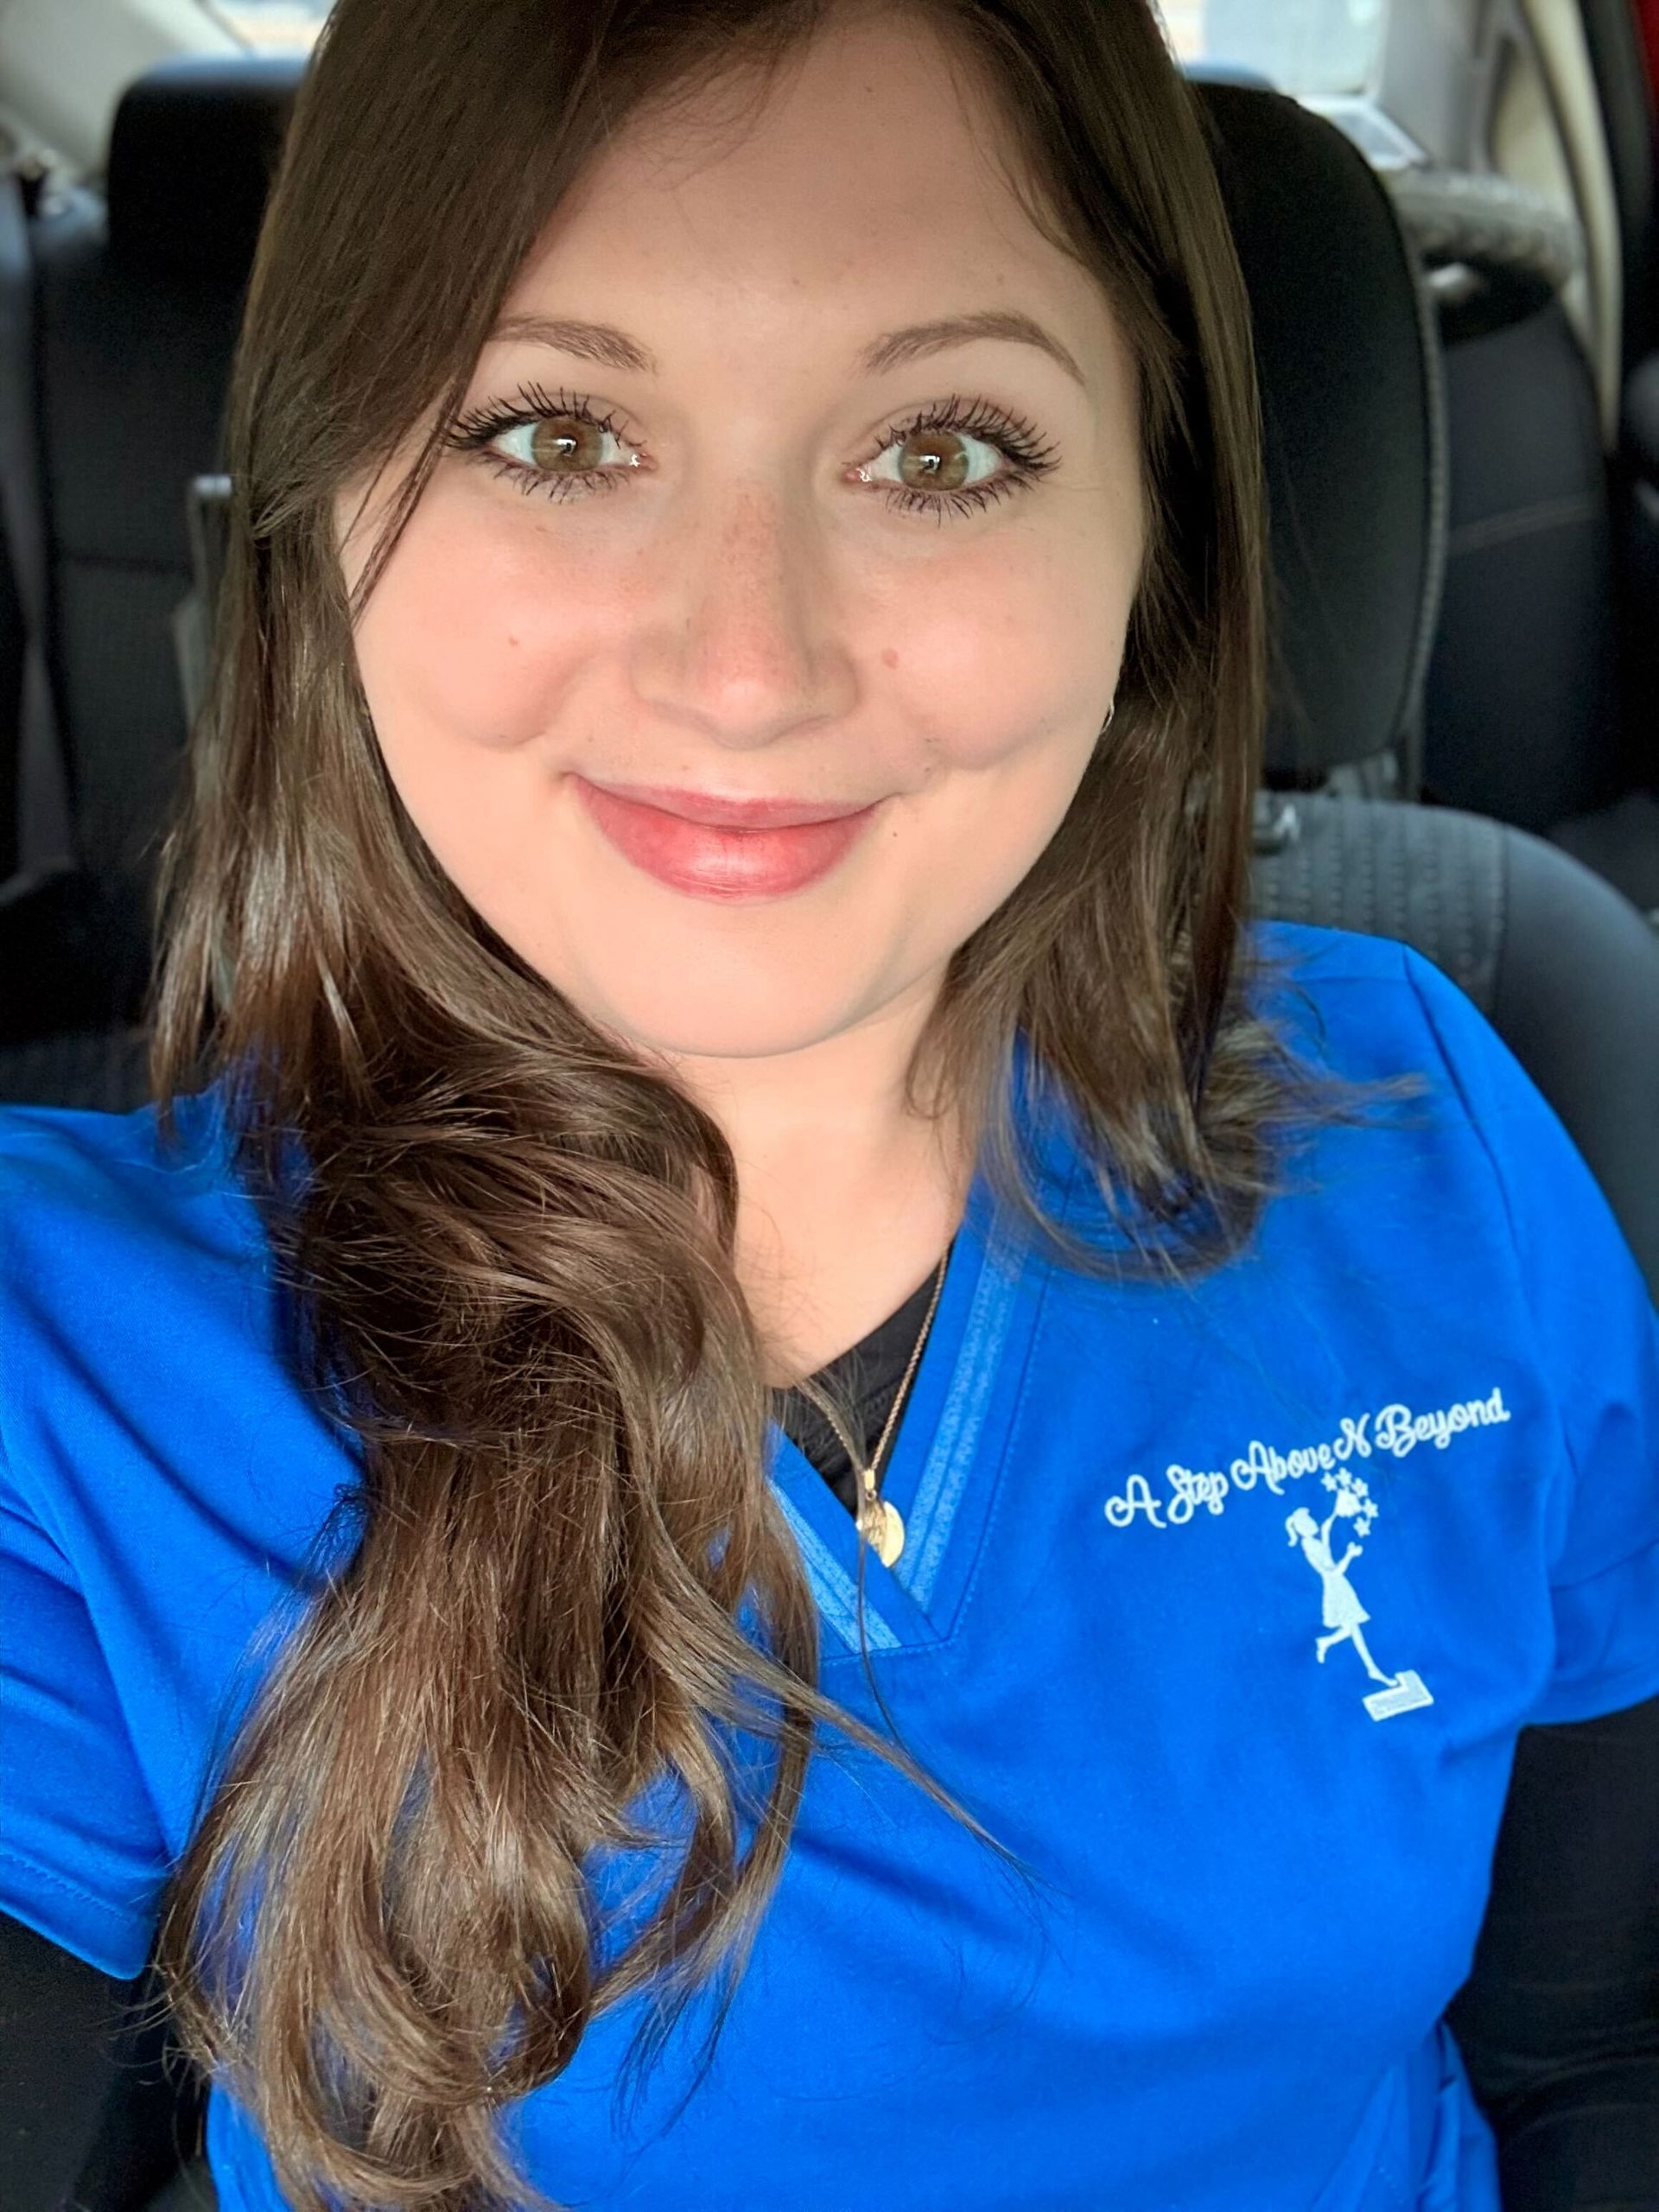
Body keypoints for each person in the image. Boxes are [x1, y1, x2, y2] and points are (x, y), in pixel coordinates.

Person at [3, 2, 1657, 2209]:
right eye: (556, 431)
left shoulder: (1430, 1123)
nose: (748, 665)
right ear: (330, 502)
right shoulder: (66, 1356)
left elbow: (1590, 2046)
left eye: (944, 448)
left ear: (1152, 520)